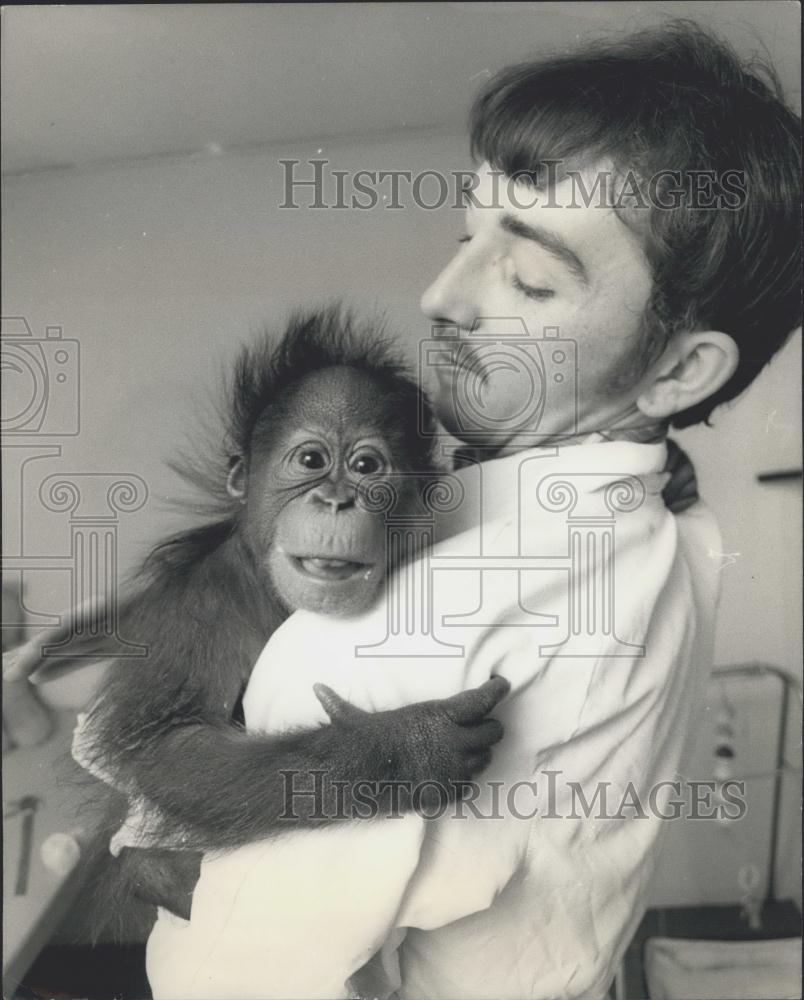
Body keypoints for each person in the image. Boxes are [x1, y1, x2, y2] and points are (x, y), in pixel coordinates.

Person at [142, 20, 802, 1000]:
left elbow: (243, 973)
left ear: (677, 369)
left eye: (530, 276)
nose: (439, 294)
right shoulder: (656, 531)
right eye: (467, 236)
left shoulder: (387, 633)